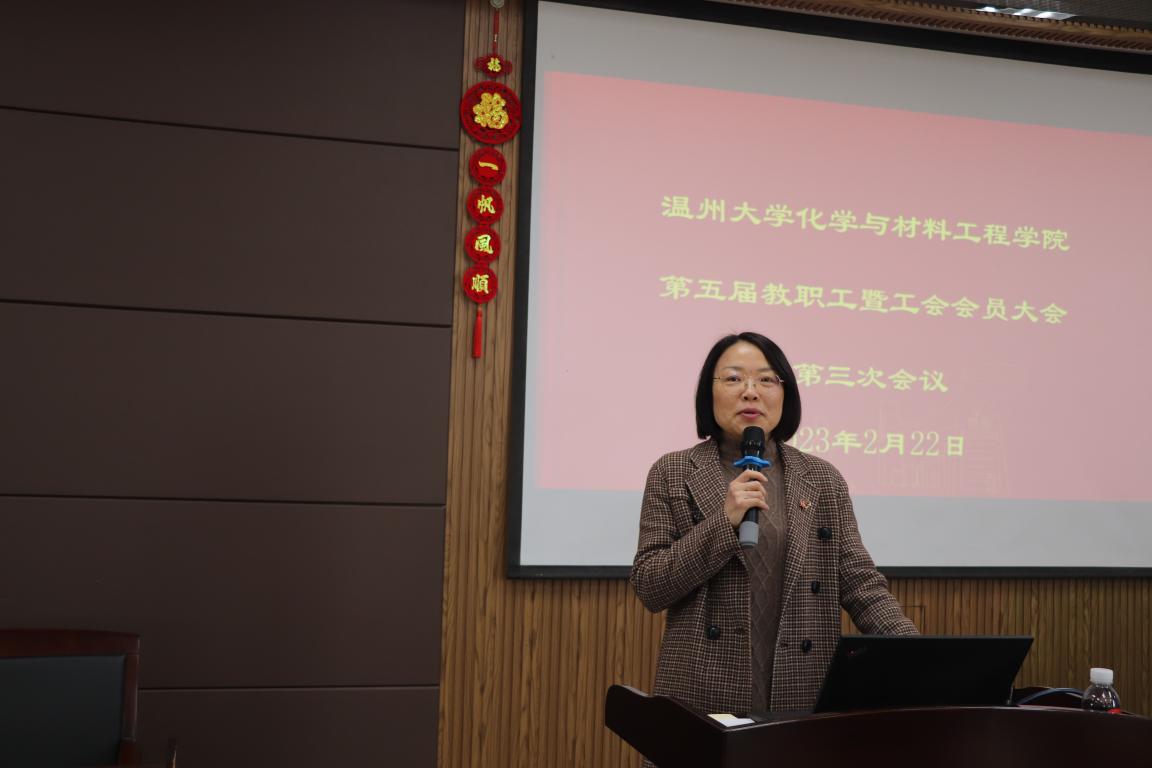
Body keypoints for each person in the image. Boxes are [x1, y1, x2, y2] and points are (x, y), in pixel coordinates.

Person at [630, 331, 916, 724]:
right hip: (704, 690)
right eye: (733, 378)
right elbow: (650, 585)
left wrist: (918, 656)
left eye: (766, 379)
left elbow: (861, 585)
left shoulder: (822, 478)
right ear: (709, 393)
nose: (751, 392)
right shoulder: (673, 473)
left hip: (802, 687)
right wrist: (724, 522)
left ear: (786, 394)